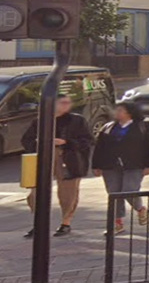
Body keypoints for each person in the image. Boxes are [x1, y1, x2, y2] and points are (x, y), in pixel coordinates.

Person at [21, 94, 95, 237]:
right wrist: (39, 142)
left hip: (69, 158)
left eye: (68, 103)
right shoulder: (41, 120)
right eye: (62, 102)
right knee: (36, 194)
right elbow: (26, 140)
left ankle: (65, 223)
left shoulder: (77, 120)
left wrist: (66, 142)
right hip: (45, 157)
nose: (66, 105)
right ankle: (39, 223)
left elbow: (87, 140)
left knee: (68, 193)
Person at [92, 104, 149, 233]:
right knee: (114, 193)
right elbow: (99, 147)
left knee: (129, 190)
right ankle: (117, 223)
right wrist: (96, 165)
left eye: (120, 110)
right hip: (110, 165)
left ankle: (140, 209)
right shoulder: (108, 127)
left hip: (134, 165)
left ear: (129, 113)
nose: (116, 112)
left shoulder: (144, 127)